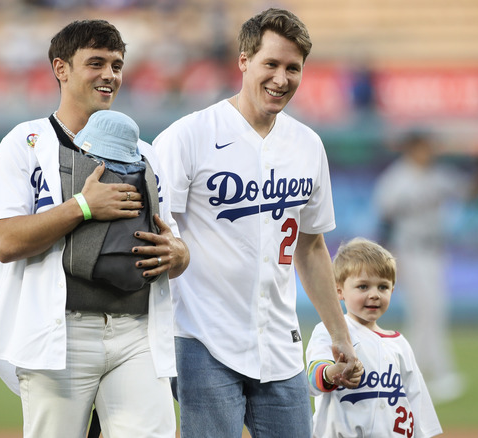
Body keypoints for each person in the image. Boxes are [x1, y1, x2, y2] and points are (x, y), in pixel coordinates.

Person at [0, 19, 189, 438]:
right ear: (61, 68)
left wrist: (179, 254)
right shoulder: (26, 142)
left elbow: (173, 245)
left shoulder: (145, 153)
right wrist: (83, 207)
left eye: (117, 64)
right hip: (62, 334)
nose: (110, 75)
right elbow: (5, 241)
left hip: (136, 332)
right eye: (96, 63)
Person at [153, 8, 361, 437]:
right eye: (271, 64)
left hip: (280, 344)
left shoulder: (307, 144)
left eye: (293, 68)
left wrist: (341, 334)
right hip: (201, 339)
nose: (281, 79)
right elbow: (158, 227)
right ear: (244, 60)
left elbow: (311, 245)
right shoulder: (188, 136)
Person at [372, 129, 478, 403]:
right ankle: (440, 374)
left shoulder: (439, 175)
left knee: (426, 314)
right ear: (412, 148)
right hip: (407, 251)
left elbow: (471, 193)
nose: (430, 151)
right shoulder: (396, 179)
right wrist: (386, 263)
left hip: (435, 251)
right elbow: (384, 222)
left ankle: (405, 375)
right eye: (424, 147)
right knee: (429, 311)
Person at [306, 238, 442, 438]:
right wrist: (332, 372)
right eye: (363, 286)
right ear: (339, 290)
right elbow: (312, 380)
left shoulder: (400, 345)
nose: (374, 294)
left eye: (383, 287)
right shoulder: (331, 330)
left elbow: (416, 402)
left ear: (393, 290)